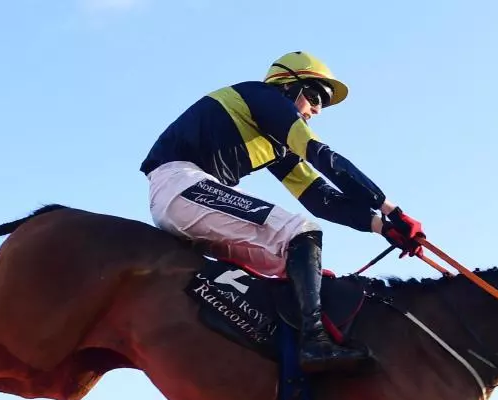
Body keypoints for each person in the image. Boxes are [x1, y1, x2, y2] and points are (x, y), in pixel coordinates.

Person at [140, 51, 426, 374]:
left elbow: (318, 197)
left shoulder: (275, 140)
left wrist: (382, 227)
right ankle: (314, 342)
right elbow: (324, 158)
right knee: (301, 233)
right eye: (315, 96)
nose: (317, 109)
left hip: (190, 194)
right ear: (288, 86)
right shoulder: (263, 98)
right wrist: (392, 210)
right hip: (180, 184)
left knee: (300, 265)